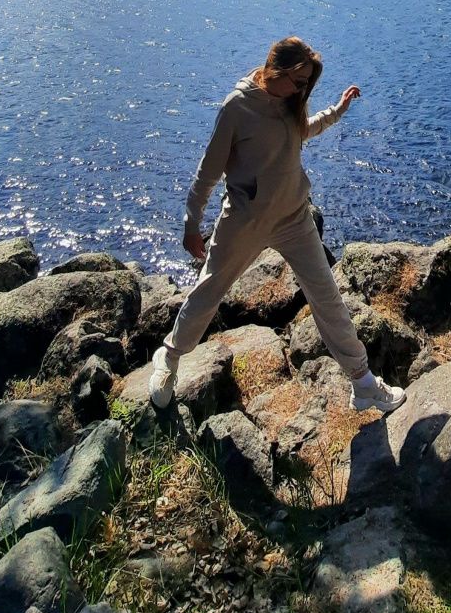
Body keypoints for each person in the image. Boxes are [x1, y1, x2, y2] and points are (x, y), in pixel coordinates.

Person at [148, 36, 406, 415]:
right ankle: (168, 358)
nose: (301, 91)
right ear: (274, 70)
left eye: (305, 85)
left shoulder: (290, 103)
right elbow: (209, 170)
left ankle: (363, 383)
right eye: (297, 82)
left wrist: (339, 109)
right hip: (246, 221)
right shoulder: (237, 107)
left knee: (326, 296)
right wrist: (192, 223)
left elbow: (304, 130)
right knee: (208, 292)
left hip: (294, 217)